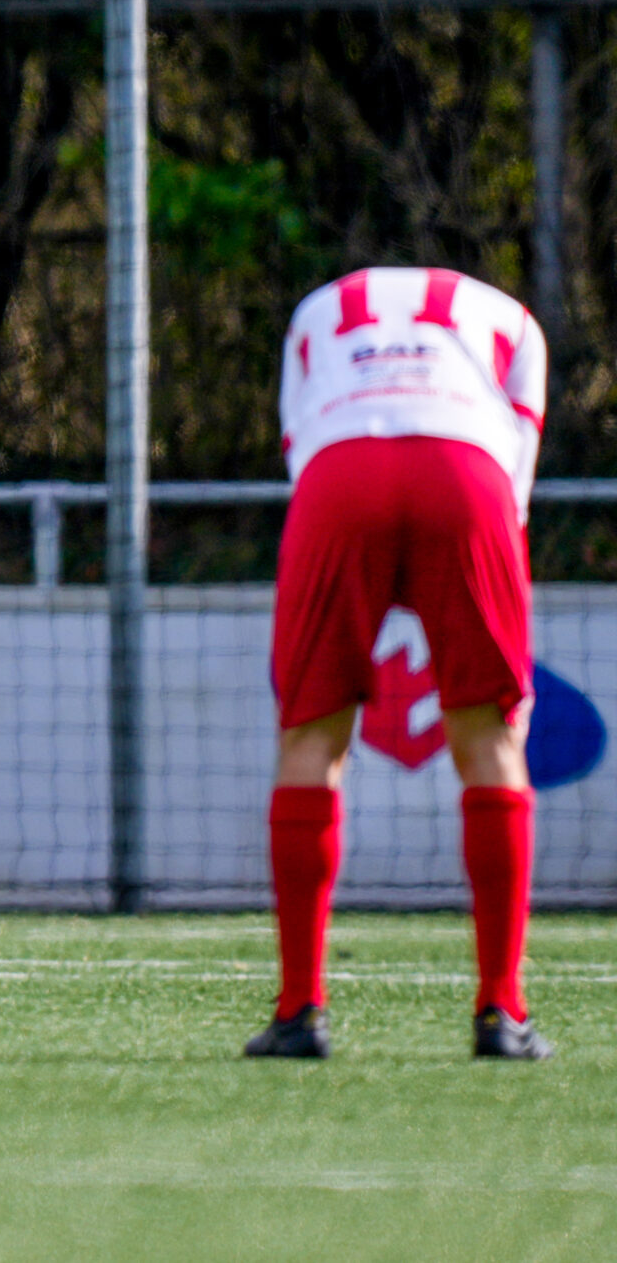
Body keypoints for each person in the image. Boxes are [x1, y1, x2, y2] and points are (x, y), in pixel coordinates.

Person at [246, 266, 552, 1061]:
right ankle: (502, 1010)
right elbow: (516, 468)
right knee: (491, 739)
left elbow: (300, 440)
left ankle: (299, 1011)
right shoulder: (515, 320)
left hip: (340, 475)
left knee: (311, 736)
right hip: (467, 473)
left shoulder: (314, 308)